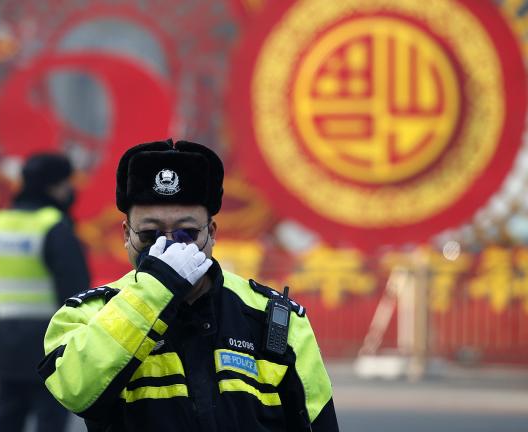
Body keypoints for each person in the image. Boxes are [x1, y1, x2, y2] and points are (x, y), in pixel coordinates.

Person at [38, 139, 338, 431]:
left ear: (212, 232)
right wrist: (157, 287)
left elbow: (317, 421)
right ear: (126, 234)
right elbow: (76, 390)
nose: (169, 247)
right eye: (150, 235)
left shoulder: (273, 317)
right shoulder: (90, 313)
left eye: (186, 234)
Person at [0, 153, 90, 432]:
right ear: (53, 186)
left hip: (6, 339)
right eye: (66, 184)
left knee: (6, 417)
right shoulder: (54, 226)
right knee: (50, 420)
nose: (70, 191)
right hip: (49, 343)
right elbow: (76, 292)